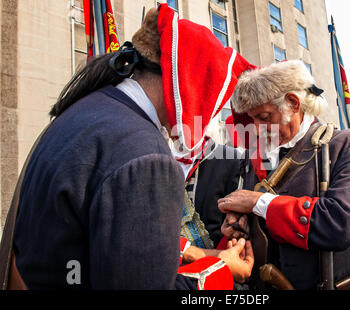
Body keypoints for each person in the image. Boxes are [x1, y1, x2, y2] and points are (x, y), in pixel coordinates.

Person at [8, 4, 255, 289]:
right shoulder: (148, 157)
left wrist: (199, 253)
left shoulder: (87, 110)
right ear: (193, 89)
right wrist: (221, 270)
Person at [218, 60, 350, 290]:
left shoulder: (346, 145)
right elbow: (263, 221)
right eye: (253, 119)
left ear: (293, 103)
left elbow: (340, 224)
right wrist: (242, 223)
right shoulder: (256, 156)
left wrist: (257, 202)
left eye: (264, 117)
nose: (257, 128)